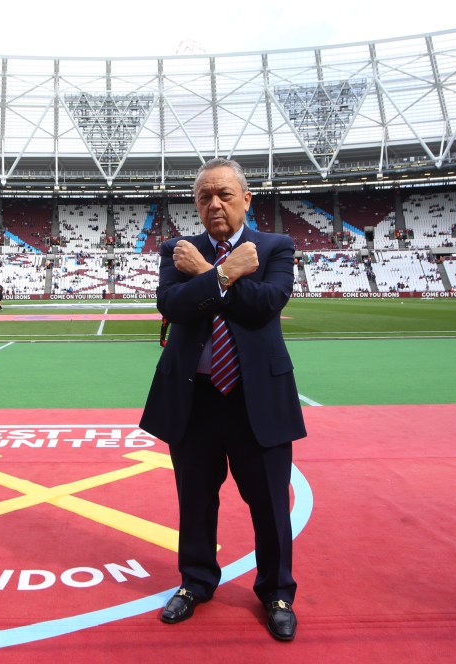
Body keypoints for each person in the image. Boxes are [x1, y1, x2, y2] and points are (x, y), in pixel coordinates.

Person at [139, 158, 306, 641]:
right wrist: (224, 274)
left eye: (225, 194)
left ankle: (277, 592)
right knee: (195, 499)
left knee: (270, 503)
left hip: (258, 398)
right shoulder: (176, 248)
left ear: (247, 199)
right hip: (196, 399)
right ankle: (195, 582)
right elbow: (172, 305)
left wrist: (209, 274)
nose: (214, 203)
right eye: (205, 196)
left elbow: (264, 307)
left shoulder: (275, 246)